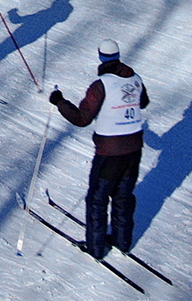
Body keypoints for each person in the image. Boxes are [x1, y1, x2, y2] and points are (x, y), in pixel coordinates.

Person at [49, 40, 149, 258]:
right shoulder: (135, 78)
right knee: (123, 195)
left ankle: (97, 247)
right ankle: (123, 242)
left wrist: (59, 102)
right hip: (134, 148)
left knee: (97, 198)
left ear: (101, 57)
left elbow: (82, 118)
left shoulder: (101, 84)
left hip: (110, 151)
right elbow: (143, 102)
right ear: (118, 55)